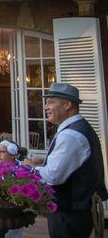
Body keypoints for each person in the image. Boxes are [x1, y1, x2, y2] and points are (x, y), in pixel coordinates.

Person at [24, 83, 108, 238]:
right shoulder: (78, 128)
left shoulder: (71, 135)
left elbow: (53, 176)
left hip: (68, 212)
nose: (45, 107)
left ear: (67, 104)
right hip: (76, 210)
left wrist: (29, 168)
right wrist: (43, 160)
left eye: (50, 102)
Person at [0, 140, 25, 238]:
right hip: (1, 202)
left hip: (16, 203)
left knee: (14, 228)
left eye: (2, 152)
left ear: (13, 154)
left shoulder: (20, 168)